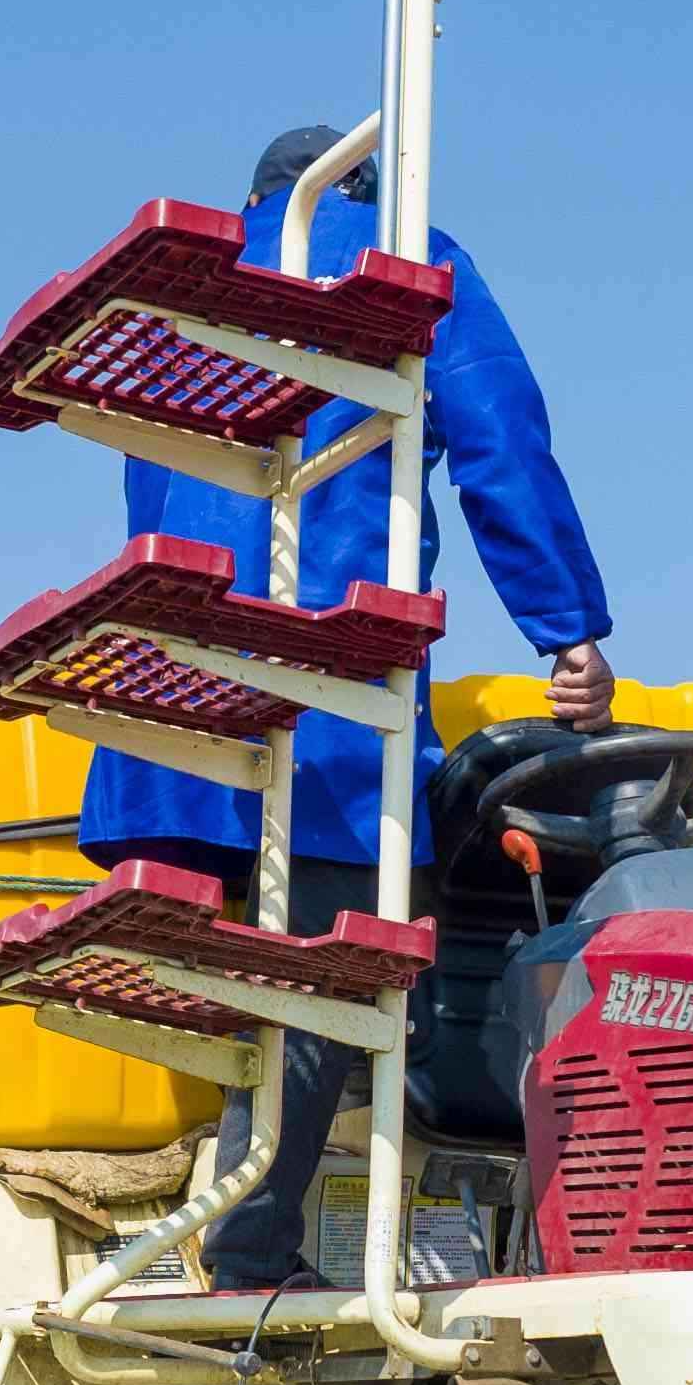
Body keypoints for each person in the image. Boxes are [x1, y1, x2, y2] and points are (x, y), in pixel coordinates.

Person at [72, 123, 621, 1288]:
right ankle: (256, 1247)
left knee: (247, 974)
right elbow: (499, 442)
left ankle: (228, 1209)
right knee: (345, 956)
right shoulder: (407, 256)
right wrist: (567, 625)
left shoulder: (196, 282)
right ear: (369, 190)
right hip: (319, 699)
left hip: (162, 723)